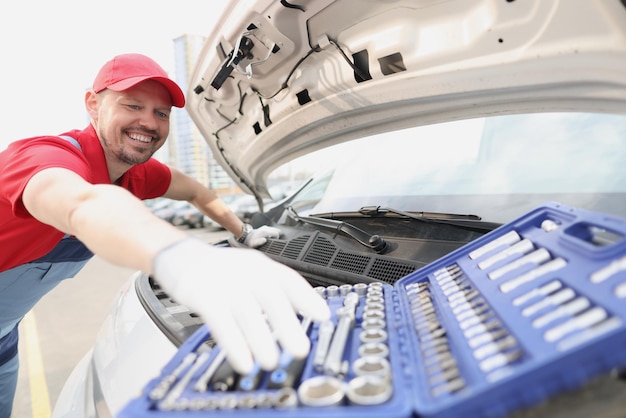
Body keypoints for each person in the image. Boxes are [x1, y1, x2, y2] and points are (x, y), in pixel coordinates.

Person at [0, 53, 330, 417]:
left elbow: (197, 192)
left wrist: (244, 232)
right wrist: (180, 257)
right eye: (133, 105)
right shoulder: (43, 157)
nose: (149, 122)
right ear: (93, 105)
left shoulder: (136, 174)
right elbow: (81, 203)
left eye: (161, 113)